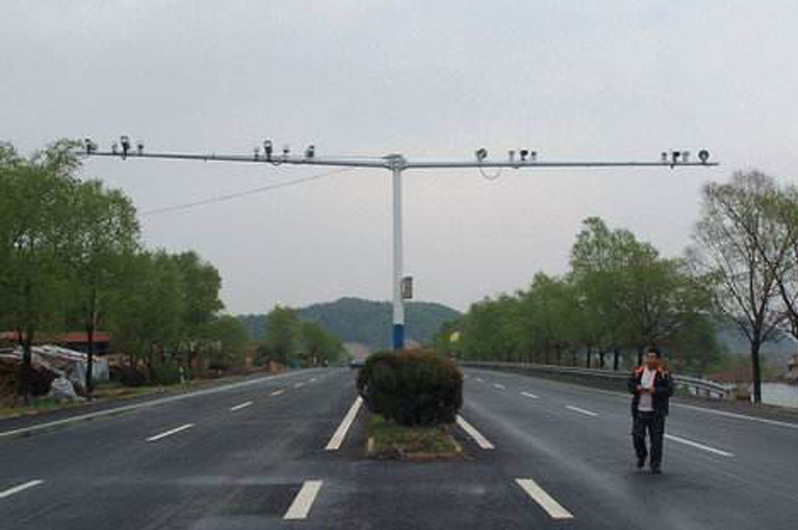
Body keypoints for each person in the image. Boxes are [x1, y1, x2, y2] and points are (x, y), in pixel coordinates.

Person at [628, 346, 673, 474]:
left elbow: (669, 390)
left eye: (653, 357)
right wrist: (637, 388)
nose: (650, 360)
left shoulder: (664, 373)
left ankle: (655, 465)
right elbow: (630, 385)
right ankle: (641, 455)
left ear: (658, 360)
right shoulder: (638, 371)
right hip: (640, 410)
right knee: (637, 436)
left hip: (657, 412)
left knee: (656, 439)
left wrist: (656, 390)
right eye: (648, 357)